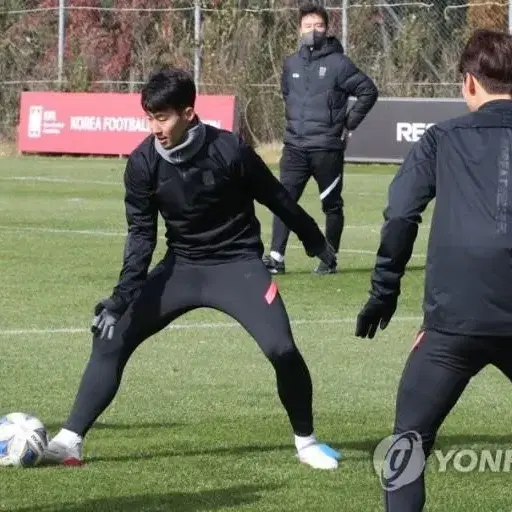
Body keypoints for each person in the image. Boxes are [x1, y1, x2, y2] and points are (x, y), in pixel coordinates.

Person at [44, 67, 340, 470]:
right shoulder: (142, 163)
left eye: (162, 117)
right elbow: (141, 237)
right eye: (149, 117)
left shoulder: (229, 150)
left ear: (188, 112)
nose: (155, 127)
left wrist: (314, 240)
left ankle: (306, 443)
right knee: (112, 337)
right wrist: (120, 298)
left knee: (282, 349)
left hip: (238, 266)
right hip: (181, 267)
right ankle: (68, 440)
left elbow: (277, 197)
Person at [355, 29, 512, 510]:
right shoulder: (442, 139)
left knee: (408, 444)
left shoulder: (441, 138)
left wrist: (384, 292)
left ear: (468, 83)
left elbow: (401, 214)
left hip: (452, 324)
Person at [263, 2, 378, 275]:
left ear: (327, 29)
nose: (313, 31)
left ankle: (329, 259)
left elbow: (368, 91)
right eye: (307, 26)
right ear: (299, 29)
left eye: (318, 26)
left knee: (331, 204)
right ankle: (276, 258)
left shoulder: (339, 63)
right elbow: (286, 95)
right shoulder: (290, 63)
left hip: (327, 148)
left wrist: (348, 123)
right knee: (282, 201)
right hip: (294, 148)